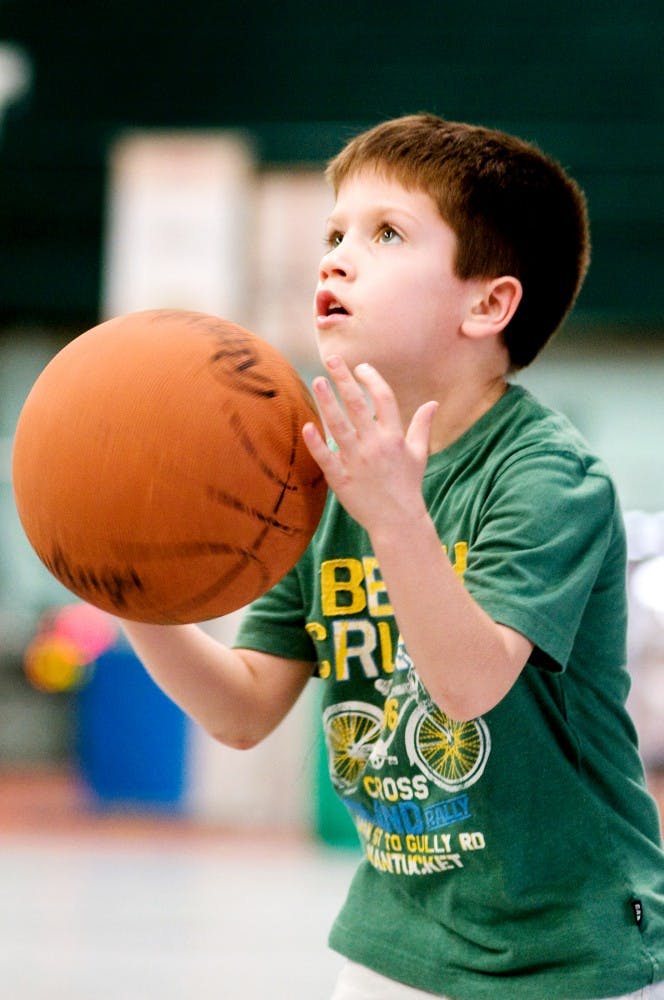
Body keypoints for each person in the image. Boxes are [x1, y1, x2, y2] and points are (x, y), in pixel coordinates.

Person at [121, 114, 664, 999]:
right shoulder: (319, 478)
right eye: (334, 233)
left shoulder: (548, 476)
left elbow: (469, 686)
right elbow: (244, 710)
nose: (335, 258)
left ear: (488, 304)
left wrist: (392, 515)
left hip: (574, 945)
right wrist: (131, 591)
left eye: (385, 234)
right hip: (398, 938)